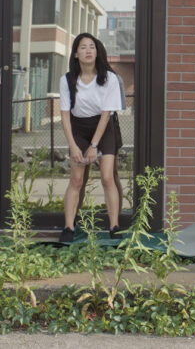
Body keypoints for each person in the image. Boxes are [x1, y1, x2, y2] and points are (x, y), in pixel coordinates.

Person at [58, 33, 123, 243]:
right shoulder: (67, 80)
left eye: (92, 47)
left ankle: (114, 227)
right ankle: (68, 227)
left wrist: (94, 145)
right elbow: (65, 115)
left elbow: (106, 114)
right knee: (76, 180)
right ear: (76, 53)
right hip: (78, 127)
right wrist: (73, 146)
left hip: (104, 128)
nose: (88, 51)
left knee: (107, 177)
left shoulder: (109, 78)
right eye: (83, 47)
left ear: (97, 52)